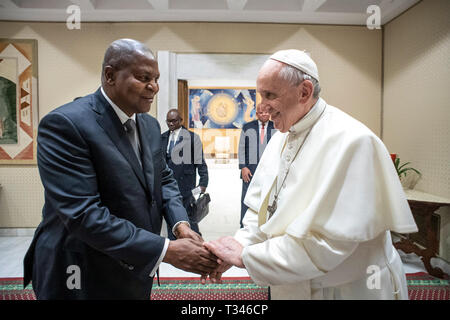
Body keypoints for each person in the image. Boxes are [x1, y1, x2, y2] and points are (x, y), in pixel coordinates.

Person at [205, 49, 418, 300]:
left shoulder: (354, 142)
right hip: (289, 284)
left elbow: (328, 244)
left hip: (346, 290)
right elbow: (261, 210)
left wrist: (246, 257)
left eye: (270, 95)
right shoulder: (281, 138)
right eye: (260, 95)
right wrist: (240, 244)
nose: (261, 107)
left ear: (304, 92)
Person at [23, 39, 218, 299]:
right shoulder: (65, 124)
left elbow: (164, 178)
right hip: (80, 271)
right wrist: (165, 250)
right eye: (143, 77)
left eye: (157, 78)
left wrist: (180, 225)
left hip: (134, 266)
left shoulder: (148, 125)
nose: (154, 87)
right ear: (110, 75)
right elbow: (83, 214)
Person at [161, 109, 208, 239]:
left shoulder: (192, 138)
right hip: (167, 184)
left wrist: (203, 182)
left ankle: (197, 244)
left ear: (181, 121)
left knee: (189, 216)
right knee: (171, 216)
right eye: (168, 121)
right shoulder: (162, 137)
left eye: (174, 121)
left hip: (186, 184)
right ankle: (174, 243)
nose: (170, 124)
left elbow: (201, 162)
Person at [238, 104, 275, 227]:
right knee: (247, 199)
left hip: (270, 170)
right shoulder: (247, 127)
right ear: (256, 114)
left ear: (269, 113)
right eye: (260, 112)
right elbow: (242, 148)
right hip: (250, 170)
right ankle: (244, 225)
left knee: (267, 199)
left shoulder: (276, 127)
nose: (263, 114)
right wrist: (243, 167)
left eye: (266, 112)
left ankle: (265, 225)